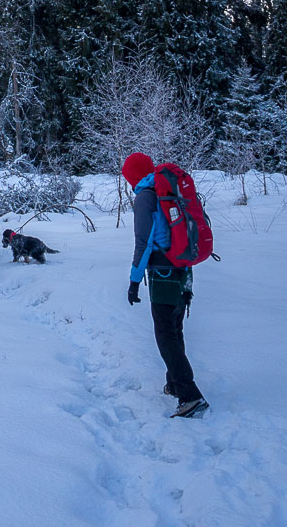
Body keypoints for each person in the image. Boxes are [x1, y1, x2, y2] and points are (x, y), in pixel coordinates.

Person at [122, 151, 209, 419]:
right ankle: (174, 383)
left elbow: (143, 243)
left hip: (162, 271)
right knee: (175, 327)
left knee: (165, 334)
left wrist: (134, 281)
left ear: (133, 176)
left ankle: (189, 395)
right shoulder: (167, 190)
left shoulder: (146, 197)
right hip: (183, 267)